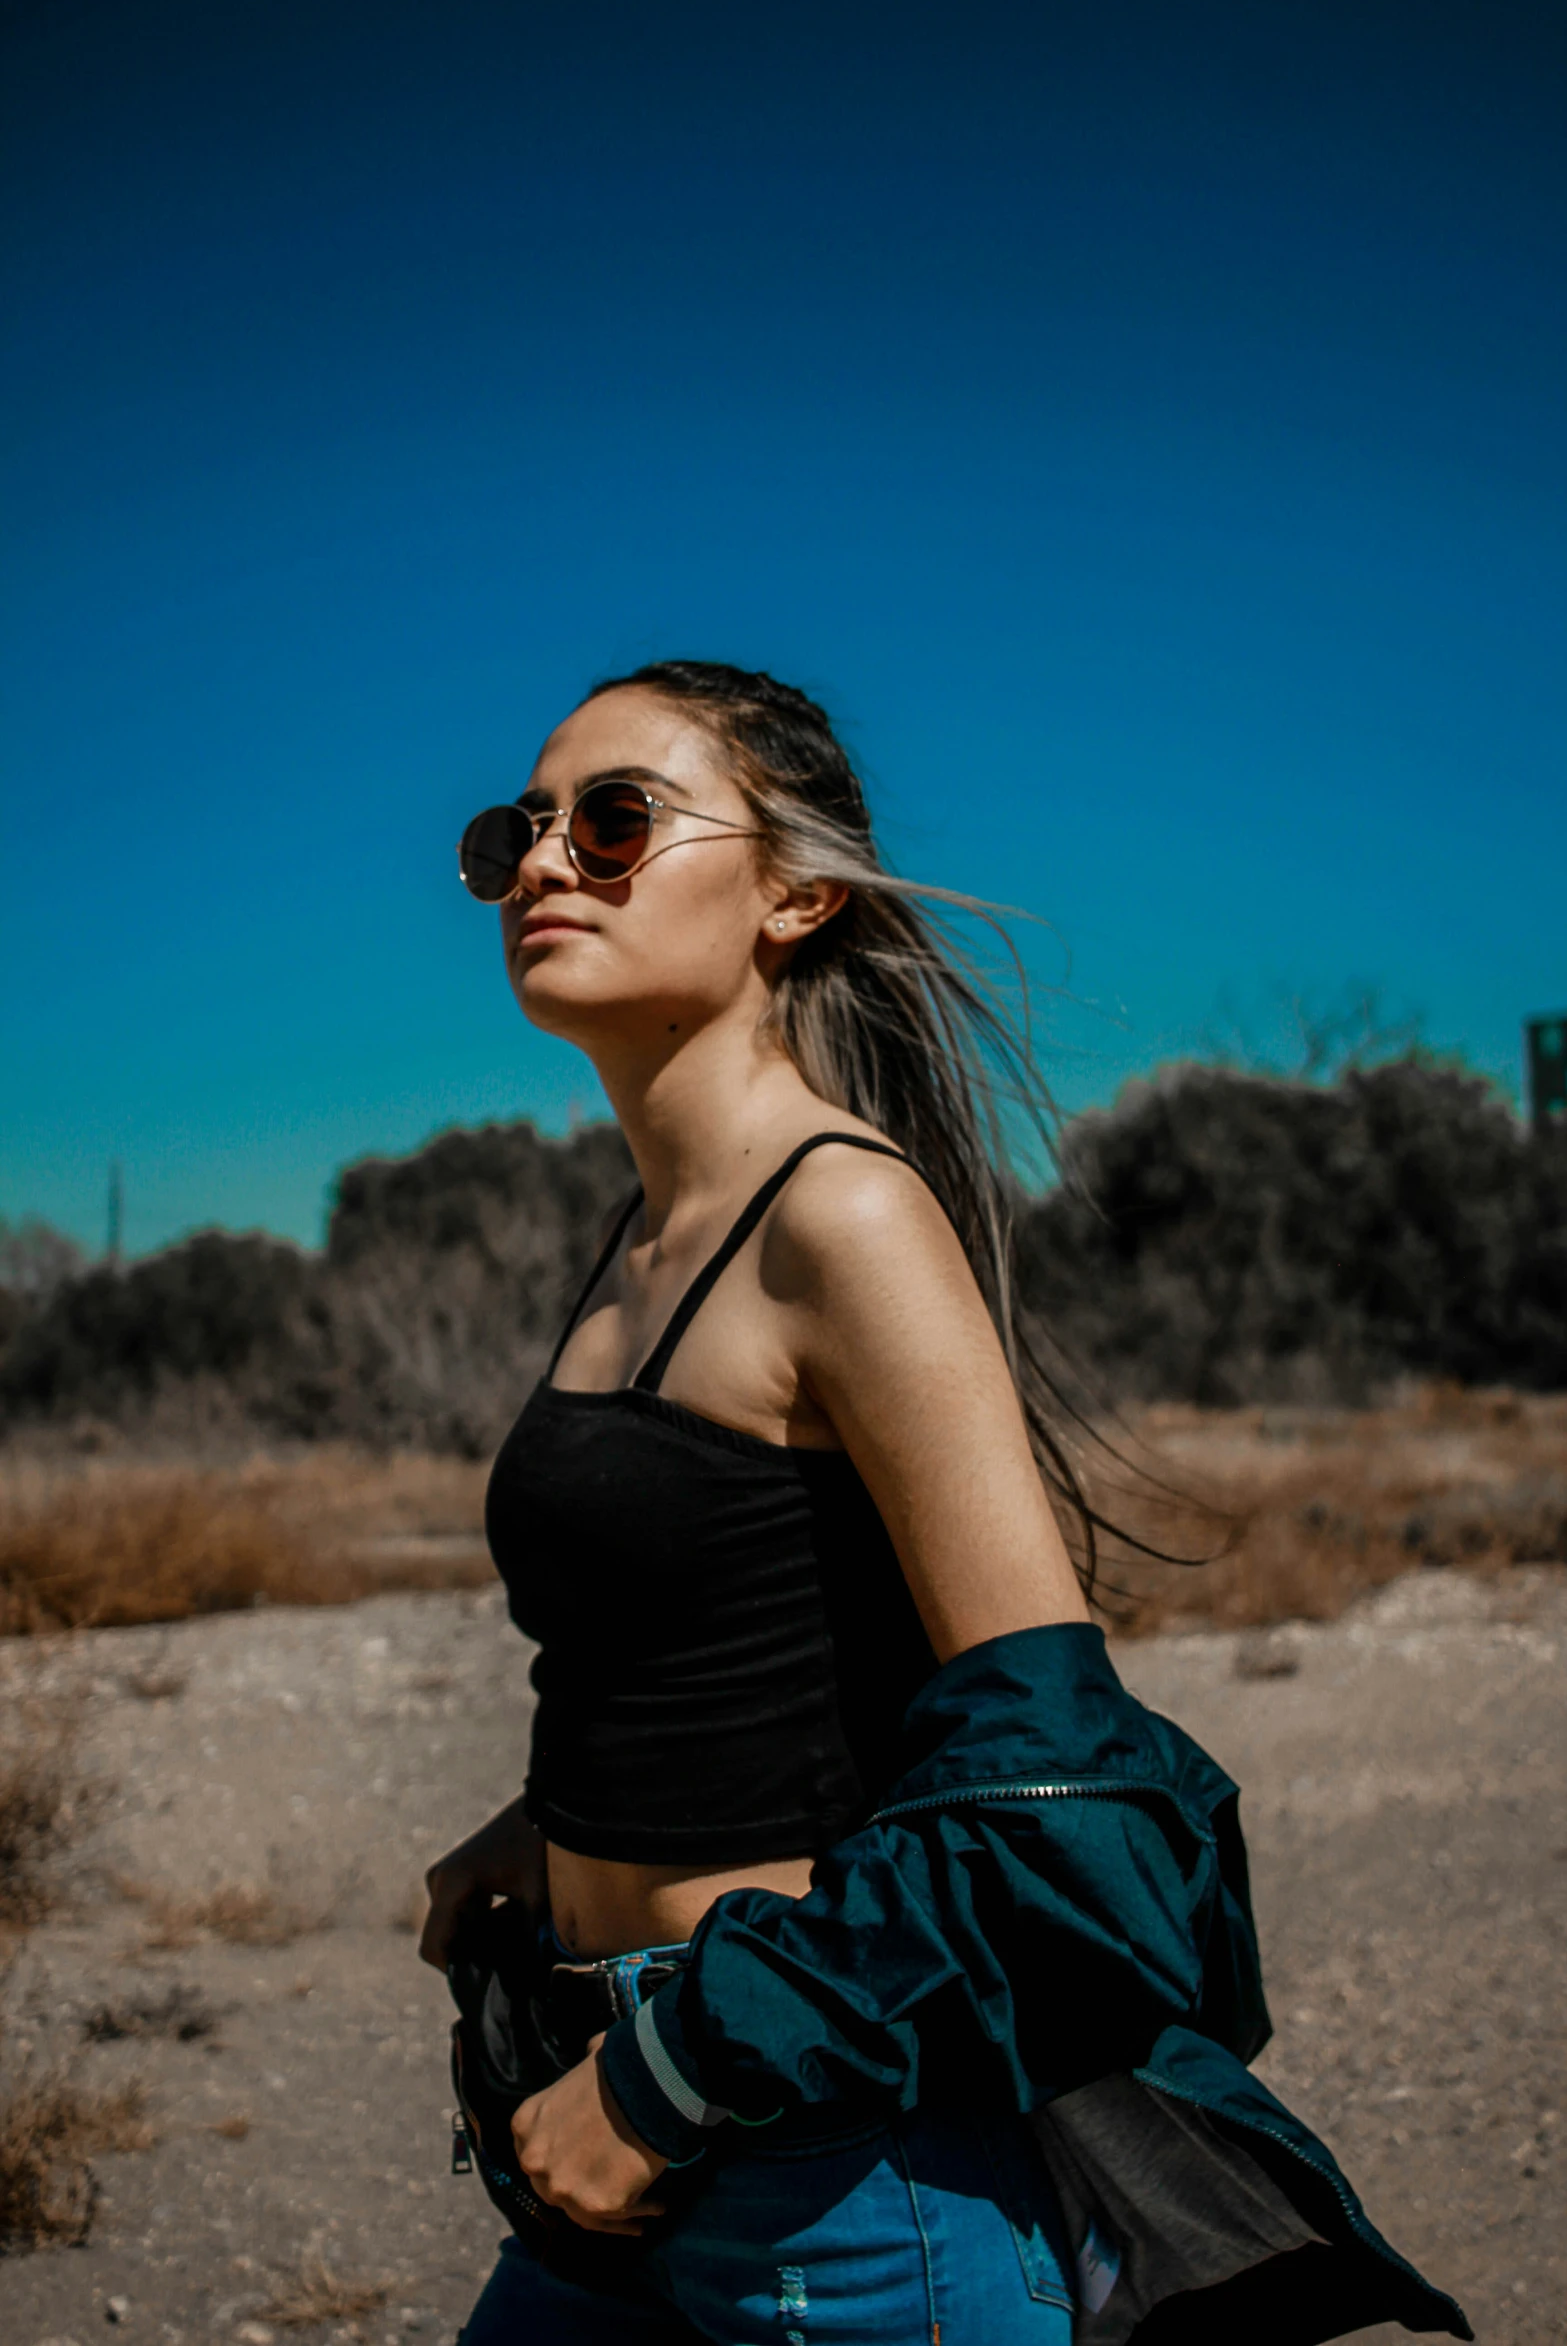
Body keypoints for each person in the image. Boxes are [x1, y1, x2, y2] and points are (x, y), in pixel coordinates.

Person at [421, 663, 1467, 2346]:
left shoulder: (842, 1220)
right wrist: (550, 1831)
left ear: (797, 890)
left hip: (824, 2172)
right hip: (595, 2111)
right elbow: (742, 1633)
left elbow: (1055, 1791)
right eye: (515, 831)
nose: (546, 860)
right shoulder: (635, 1242)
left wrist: (668, 2079)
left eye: (613, 819)